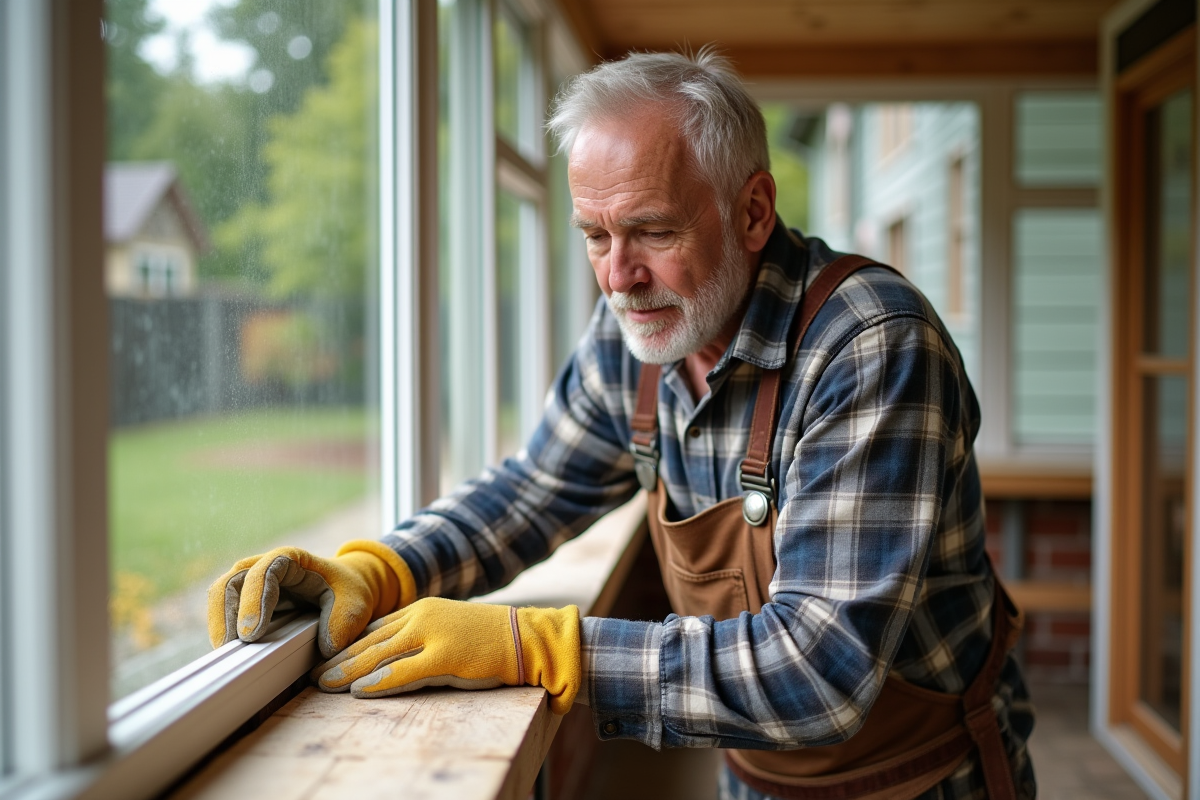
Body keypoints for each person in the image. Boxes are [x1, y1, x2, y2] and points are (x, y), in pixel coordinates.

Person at [208, 49, 1036, 800]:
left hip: (926, 781)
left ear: (752, 213)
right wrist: (383, 569)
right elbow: (533, 490)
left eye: (652, 231)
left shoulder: (869, 345)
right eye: (594, 236)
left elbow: (818, 674)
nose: (618, 276)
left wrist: (538, 650)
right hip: (753, 774)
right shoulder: (638, 335)